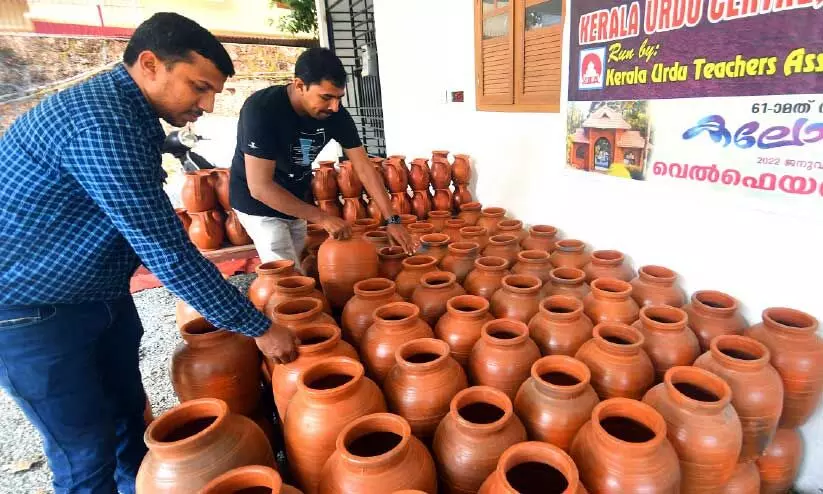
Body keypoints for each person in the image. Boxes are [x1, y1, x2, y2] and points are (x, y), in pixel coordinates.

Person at [0, 13, 297, 494]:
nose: (207, 103)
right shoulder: (100, 122)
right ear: (149, 63)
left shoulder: (130, 116)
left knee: (126, 422)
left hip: (95, 294)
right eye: (199, 87)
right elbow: (167, 250)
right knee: (83, 453)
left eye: (214, 92)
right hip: (31, 310)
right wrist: (259, 327)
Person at [229, 47, 415, 265]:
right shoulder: (262, 110)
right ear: (300, 85)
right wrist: (322, 217)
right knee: (286, 276)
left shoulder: (336, 115)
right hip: (258, 204)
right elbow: (260, 187)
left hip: (296, 199)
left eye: (339, 98)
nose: (334, 107)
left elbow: (364, 167)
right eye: (326, 97)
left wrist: (392, 218)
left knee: (297, 259)